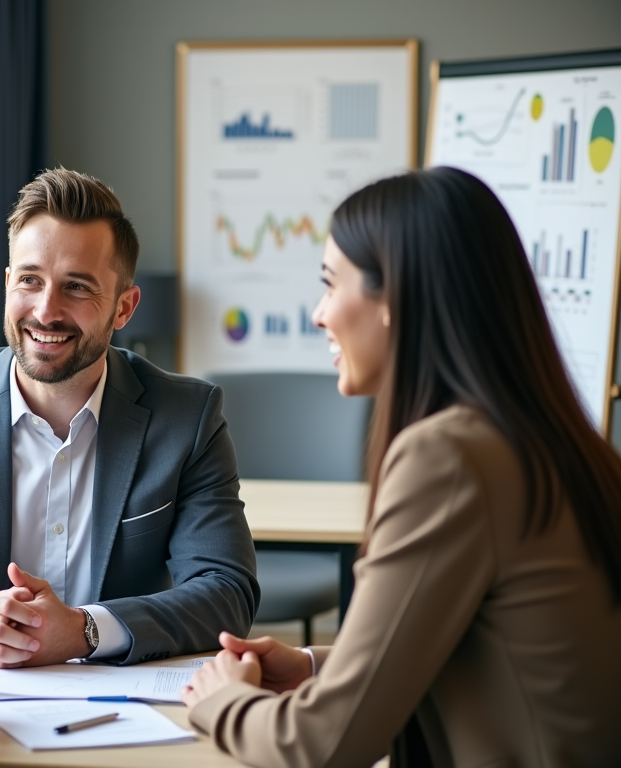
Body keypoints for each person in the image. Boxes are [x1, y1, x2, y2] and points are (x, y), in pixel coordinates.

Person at [180, 167, 621, 766]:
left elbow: (325, 744)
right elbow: (472, 652)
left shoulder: (449, 457)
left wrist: (221, 703)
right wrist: (315, 665)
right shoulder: (539, 434)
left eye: (331, 284)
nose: (318, 313)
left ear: (396, 299)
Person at [0, 168, 259, 667]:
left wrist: (85, 630)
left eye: (77, 287)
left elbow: (227, 591)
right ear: (7, 285)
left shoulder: (188, 419)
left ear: (124, 308)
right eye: (29, 280)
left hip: (122, 709)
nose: (46, 311)